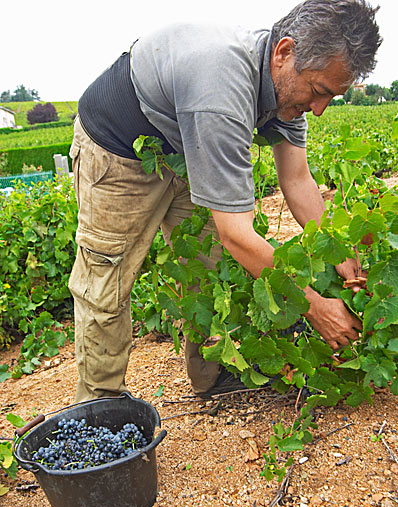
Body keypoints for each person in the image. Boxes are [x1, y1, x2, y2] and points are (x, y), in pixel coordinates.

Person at [68, 0, 381, 402]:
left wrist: (341, 252)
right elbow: (237, 233)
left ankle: (211, 377)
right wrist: (315, 306)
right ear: (284, 52)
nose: (318, 110)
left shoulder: (289, 84)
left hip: (185, 145)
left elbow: (298, 179)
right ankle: (99, 408)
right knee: (106, 279)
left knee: (208, 266)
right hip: (119, 148)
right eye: (319, 92)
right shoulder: (222, 86)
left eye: (331, 98)